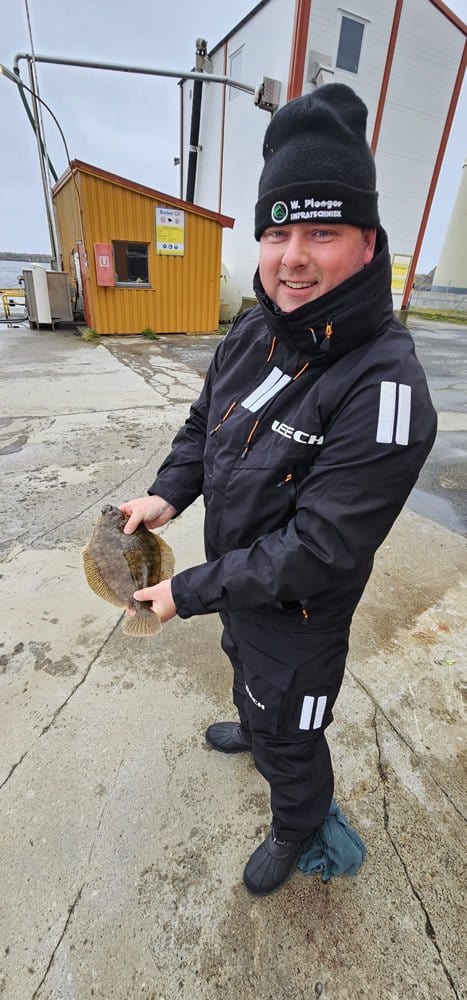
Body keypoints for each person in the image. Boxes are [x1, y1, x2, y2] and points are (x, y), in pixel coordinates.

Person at [120, 84, 437, 898]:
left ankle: (296, 821)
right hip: (238, 587)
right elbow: (202, 426)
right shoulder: (258, 328)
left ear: (367, 243)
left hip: (300, 611)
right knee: (243, 670)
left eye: (320, 233)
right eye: (276, 232)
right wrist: (166, 497)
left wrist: (185, 589)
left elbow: (319, 546)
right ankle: (260, 736)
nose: (291, 257)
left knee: (293, 722)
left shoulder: (385, 388)